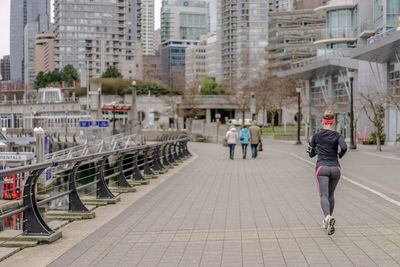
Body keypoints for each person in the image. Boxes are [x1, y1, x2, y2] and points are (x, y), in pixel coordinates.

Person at [307, 110, 347, 235]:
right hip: (336, 168)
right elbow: (344, 147)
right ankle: (328, 221)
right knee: (331, 195)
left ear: (322, 122)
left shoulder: (317, 136)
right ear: (333, 123)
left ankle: (327, 217)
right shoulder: (337, 135)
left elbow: (311, 153)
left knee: (323, 195)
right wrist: (340, 154)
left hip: (322, 168)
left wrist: (318, 150)